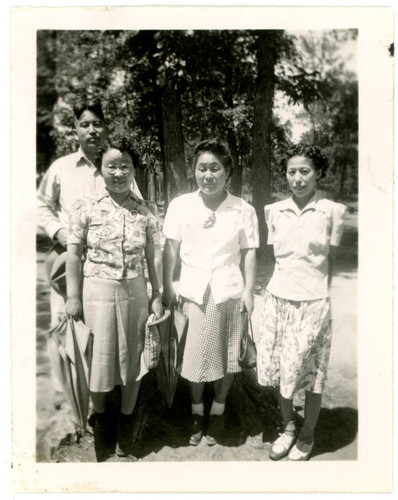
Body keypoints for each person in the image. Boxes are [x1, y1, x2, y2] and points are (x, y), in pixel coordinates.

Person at [37, 97, 143, 408]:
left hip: (110, 271)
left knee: (109, 336)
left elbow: (136, 209)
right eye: (85, 124)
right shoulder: (62, 168)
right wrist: (61, 232)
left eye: (98, 124)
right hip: (71, 261)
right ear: (76, 129)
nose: (92, 130)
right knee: (76, 328)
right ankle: (83, 404)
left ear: (107, 128)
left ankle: (112, 402)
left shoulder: (119, 165)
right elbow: (41, 206)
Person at [65, 133, 163, 461]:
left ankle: (126, 428)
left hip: (135, 293)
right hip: (95, 294)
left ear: (134, 170)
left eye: (125, 166)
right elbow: (74, 254)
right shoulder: (85, 207)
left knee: (132, 363)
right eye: (112, 166)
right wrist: (73, 297)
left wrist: (156, 294)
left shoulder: (146, 210)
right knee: (99, 362)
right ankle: (102, 425)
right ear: (101, 168)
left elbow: (154, 258)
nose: (118, 173)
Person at [162, 138, 259, 446]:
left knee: (229, 357)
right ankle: (195, 411)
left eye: (215, 168)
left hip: (229, 291)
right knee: (193, 358)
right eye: (202, 168)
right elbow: (171, 249)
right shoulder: (180, 205)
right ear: (194, 171)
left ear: (227, 172)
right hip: (193, 291)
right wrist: (167, 286)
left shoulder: (243, 209)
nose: (208, 175)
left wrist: (249, 292)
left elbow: (250, 252)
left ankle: (218, 411)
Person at [256, 144, 347, 461]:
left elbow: (331, 263)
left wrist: (319, 298)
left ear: (318, 173)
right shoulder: (273, 211)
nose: (297, 178)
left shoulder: (333, 212)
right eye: (291, 171)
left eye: (305, 171)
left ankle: (308, 434)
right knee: (282, 372)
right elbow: (278, 259)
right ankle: (288, 428)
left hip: (313, 303)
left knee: (311, 374)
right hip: (278, 301)